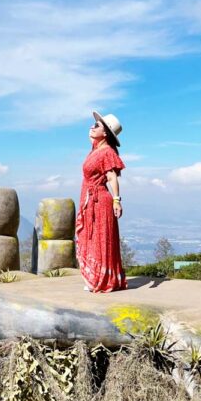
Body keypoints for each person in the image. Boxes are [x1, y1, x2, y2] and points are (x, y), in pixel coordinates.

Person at [75, 111, 127, 293]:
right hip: (91, 201)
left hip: (100, 201)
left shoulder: (107, 152)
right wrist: (94, 134)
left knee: (100, 239)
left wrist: (116, 200)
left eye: (97, 125)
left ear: (105, 133)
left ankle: (103, 280)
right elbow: (94, 139)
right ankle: (96, 277)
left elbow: (112, 177)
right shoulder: (96, 150)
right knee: (92, 238)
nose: (92, 126)